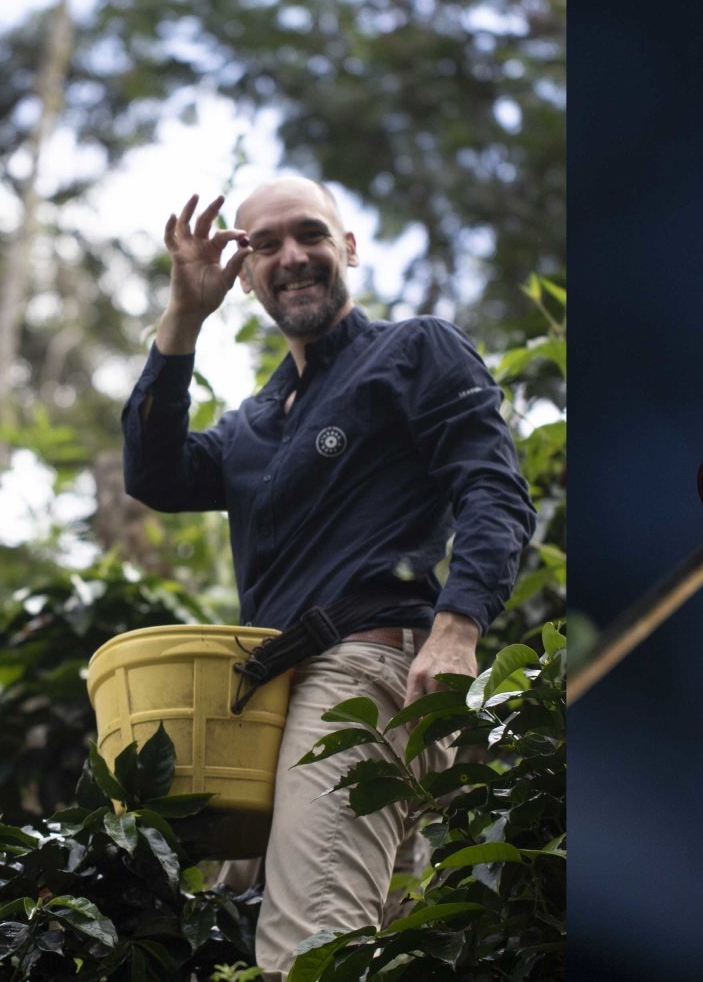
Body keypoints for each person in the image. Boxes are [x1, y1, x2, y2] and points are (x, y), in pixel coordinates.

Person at [121, 178, 536, 975]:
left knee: (309, 951)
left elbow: (493, 489)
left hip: (366, 671)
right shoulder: (251, 426)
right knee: (234, 940)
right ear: (243, 275)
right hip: (266, 700)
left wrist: (457, 628)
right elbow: (155, 474)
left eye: (310, 234)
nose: (291, 256)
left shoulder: (414, 351)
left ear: (348, 247)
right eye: (263, 245)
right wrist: (183, 314)